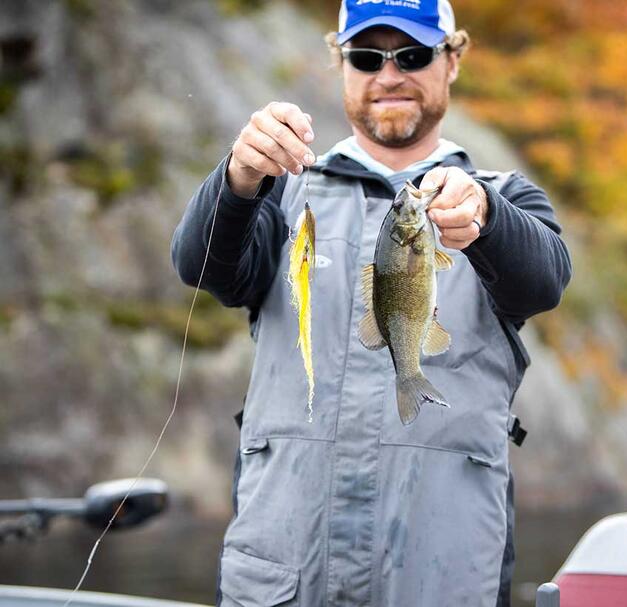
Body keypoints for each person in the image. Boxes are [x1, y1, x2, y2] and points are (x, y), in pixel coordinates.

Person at [171, 1, 571, 605]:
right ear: (339, 62)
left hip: (440, 579)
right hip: (285, 579)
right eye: (366, 56)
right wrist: (237, 178)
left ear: (453, 60)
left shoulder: (503, 199)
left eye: (412, 55)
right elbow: (200, 265)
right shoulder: (282, 194)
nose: (388, 76)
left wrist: (486, 218)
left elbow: (543, 282)